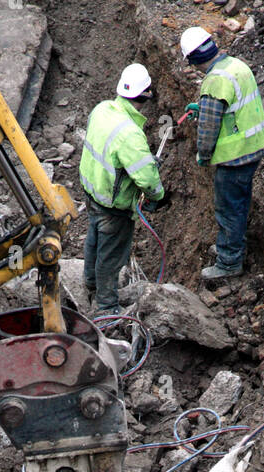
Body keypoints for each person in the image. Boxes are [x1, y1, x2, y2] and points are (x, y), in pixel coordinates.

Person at [179, 27, 264, 282]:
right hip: (255, 146)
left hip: (235, 156)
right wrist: (206, 105)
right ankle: (230, 245)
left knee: (228, 208)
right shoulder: (235, 65)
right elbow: (234, 107)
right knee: (238, 202)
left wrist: (203, 156)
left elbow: (208, 129)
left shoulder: (214, 80)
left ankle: (229, 261)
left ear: (194, 60)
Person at [79, 64, 165, 316]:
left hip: (92, 190)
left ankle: (90, 282)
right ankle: (106, 307)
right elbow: (148, 180)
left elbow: (113, 154)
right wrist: (156, 197)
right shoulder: (130, 134)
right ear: (144, 96)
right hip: (113, 205)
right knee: (112, 255)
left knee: (94, 236)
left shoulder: (102, 109)